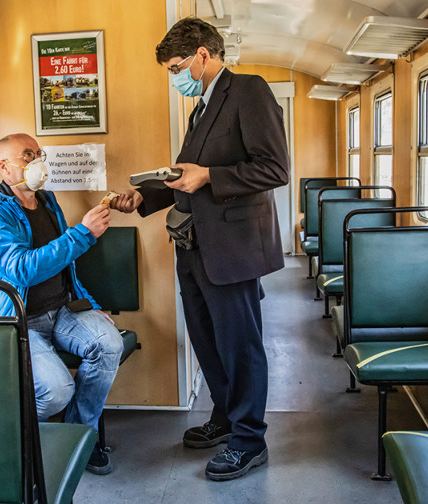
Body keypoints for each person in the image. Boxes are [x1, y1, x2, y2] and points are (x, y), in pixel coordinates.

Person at [112, 17, 289, 481]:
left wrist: (211, 176)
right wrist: (145, 196)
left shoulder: (249, 92)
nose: (176, 78)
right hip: (192, 244)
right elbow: (185, 178)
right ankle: (226, 418)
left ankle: (249, 441)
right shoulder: (201, 110)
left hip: (232, 246)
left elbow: (274, 169)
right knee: (207, 342)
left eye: (177, 67)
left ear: (202, 56)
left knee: (240, 345)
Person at [0, 132, 123, 475]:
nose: (38, 162)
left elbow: (66, 266)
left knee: (109, 343)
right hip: (13, 318)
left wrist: (87, 304)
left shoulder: (47, 200)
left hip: (60, 309)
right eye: (27, 155)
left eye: (39, 154)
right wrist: (84, 233)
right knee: (56, 390)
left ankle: (79, 437)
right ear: (4, 167)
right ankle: (8, 436)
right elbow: (22, 268)